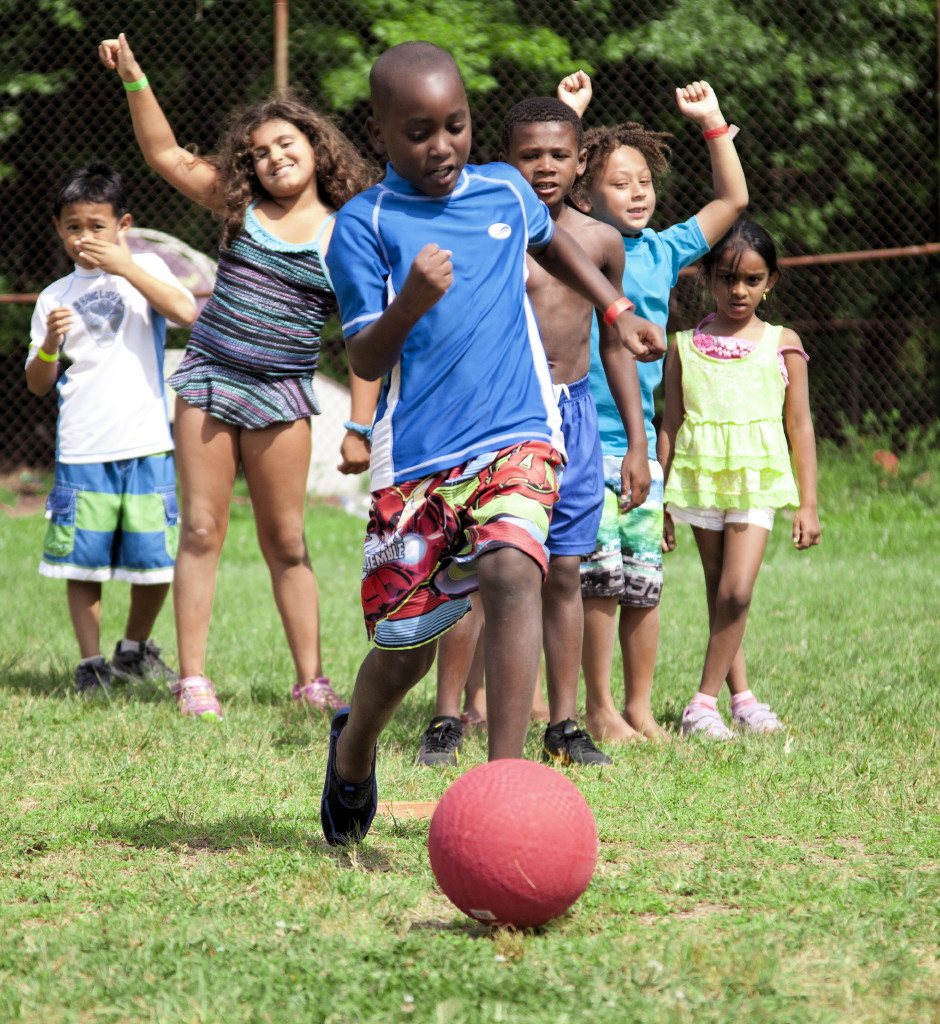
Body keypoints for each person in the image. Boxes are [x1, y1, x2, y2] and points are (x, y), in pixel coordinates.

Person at [319, 42, 663, 845]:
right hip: (418, 461)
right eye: (417, 132)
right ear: (380, 134)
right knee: (404, 652)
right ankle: (355, 749)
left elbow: (550, 243)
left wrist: (615, 309)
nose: (441, 147)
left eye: (456, 126)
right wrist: (411, 300)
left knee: (514, 570)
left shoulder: (506, 188)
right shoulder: (362, 225)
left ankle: (503, 785)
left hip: (519, 434)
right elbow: (365, 354)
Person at [98, 34, 378, 720]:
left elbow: (367, 337)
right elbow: (165, 155)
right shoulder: (238, 206)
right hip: (210, 383)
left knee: (288, 541)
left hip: (283, 398)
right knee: (199, 531)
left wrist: (360, 428)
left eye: (287, 144)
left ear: (317, 148)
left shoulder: (350, 231)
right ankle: (193, 678)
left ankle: (311, 680)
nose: (274, 157)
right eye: (259, 152)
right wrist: (136, 76)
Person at [413, 96, 653, 769]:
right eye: (529, 155)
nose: (544, 167)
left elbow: (612, 345)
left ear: (582, 163)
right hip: (501, 413)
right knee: (482, 567)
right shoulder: (488, 227)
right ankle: (448, 717)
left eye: (558, 154)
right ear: (505, 161)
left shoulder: (603, 241)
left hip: (575, 416)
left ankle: (566, 723)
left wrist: (635, 441)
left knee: (567, 570)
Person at [559, 72, 748, 742]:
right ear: (584, 191)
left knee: (643, 581)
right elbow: (538, 184)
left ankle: (638, 706)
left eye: (644, 180)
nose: (638, 191)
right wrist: (567, 119)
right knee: (597, 581)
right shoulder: (568, 244)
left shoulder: (665, 250)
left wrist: (713, 121)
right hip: (578, 440)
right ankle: (599, 708)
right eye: (619, 181)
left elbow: (733, 198)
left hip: (640, 449)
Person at [26, 164, 196, 695]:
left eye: (97, 225)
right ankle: (90, 663)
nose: (85, 237)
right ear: (59, 229)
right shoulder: (54, 296)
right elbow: (37, 383)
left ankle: (132, 650)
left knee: (155, 559)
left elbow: (186, 310)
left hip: (147, 443)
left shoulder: (145, 268)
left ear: (123, 224)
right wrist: (50, 345)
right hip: (84, 446)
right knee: (84, 559)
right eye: (73, 226)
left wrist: (126, 267)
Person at [659, 219, 821, 738]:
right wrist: (659, 499)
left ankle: (700, 703)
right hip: (700, 476)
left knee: (737, 590)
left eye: (752, 279)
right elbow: (671, 423)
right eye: (728, 278)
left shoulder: (782, 342)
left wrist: (808, 503)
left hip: (756, 480)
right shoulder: (683, 345)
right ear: (706, 277)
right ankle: (742, 699)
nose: (739, 290)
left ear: (770, 280)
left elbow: (800, 425)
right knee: (717, 589)